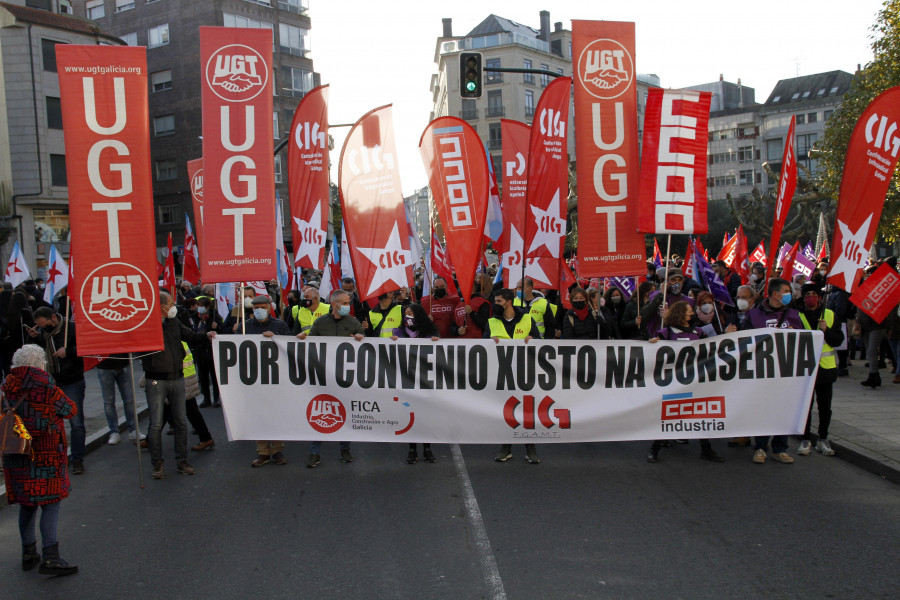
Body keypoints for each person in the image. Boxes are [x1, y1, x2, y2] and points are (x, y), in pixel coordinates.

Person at [2, 344, 78, 576]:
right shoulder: (47, 387)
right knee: (50, 504)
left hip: (17, 453)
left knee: (27, 503)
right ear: (40, 364)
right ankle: (51, 557)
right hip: (46, 455)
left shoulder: (6, 388)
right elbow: (70, 410)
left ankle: (28, 553)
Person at [141, 291, 213, 480]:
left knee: (181, 422)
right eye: (171, 303)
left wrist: (207, 335)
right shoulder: (146, 326)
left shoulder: (174, 323)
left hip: (177, 378)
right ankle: (157, 463)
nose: (174, 307)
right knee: (156, 424)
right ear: (161, 307)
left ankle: (182, 460)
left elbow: (190, 335)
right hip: (156, 380)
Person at [646, 302, 726, 463]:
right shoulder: (667, 332)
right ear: (680, 314)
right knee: (669, 416)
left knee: (700, 415)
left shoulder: (699, 332)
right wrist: (653, 343)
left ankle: (706, 449)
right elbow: (654, 350)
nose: (693, 314)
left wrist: (726, 335)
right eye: (689, 311)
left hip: (695, 380)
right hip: (674, 382)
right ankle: (655, 448)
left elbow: (713, 347)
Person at [298, 290, 365, 467]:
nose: (347, 306)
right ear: (334, 304)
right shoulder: (320, 323)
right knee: (320, 410)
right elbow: (310, 345)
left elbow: (365, 343)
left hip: (345, 376)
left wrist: (361, 338)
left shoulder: (353, 322)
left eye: (348, 302)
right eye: (344, 303)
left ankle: (345, 449)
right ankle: (315, 452)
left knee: (344, 412)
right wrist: (301, 339)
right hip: (324, 376)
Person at [741, 277, 803, 464]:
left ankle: (780, 448)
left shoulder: (793, 314)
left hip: (786, 370)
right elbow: (744, 340)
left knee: (784, 409)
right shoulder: (755, 315)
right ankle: (760, 447)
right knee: (763, 409)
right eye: (786, 291)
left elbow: (803, 340)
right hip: (762, 370)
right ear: (775, 294)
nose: (789, 295)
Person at [484, 289, 542, 464]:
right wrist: (489, 342)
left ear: (509, 302)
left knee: (527, 411)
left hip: (524, 372)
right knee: (505, 411)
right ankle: (506, 446)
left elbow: (539, 341)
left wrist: (533, 338)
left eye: (499, 301)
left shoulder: (526, 319)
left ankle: (530, 447)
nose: (496, 304)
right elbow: (482, 345)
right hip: (501, 374)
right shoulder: (492, 321)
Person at [28, 306, 86, 475]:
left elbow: (84, 348)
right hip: (52, 381)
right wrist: (33, 338)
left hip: (72, 380)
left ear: (53, 318)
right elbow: (37, 354)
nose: (42, 327)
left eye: (43, 324)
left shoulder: (71, 328)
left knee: (76, 422)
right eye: (38, 325)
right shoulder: (43, 334)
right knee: (52, 423)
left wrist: (68, 351)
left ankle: (77, 459)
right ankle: (57, 458)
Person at [244, 295, 292, 467]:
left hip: (276, 376)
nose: (259, 310)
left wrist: (276, 336)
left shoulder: (279, 325)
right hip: (255, 377)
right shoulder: (246, 326)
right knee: (259, 415)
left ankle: (278, 450)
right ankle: (263, 452)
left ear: (269, 308)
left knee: (276, 414)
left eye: (263, 307)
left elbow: (289, 346)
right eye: (256, 307)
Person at [797, 283, 843, 457]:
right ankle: (805, 439)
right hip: (805, 368)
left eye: (814, 293)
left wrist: (827, 330)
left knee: (825, 408)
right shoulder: (796, 315)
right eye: (807, 294)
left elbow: (838, 340)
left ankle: (823, 439)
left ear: (820, 297)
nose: (811, 297)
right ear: (802, 297)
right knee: (805, 407)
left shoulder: (829, 315)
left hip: (825, 369)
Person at [392, 303, 440, 464]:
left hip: (425, 379)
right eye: (405, 313)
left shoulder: (430, 331)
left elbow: (438, 351)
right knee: (409, 414)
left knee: (425, 416)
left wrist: (435, 341)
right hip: (407, 379)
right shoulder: (398, 332)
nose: (408, 316)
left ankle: (427, 448)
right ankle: (412, 449)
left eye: (411, 313)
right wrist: (393, 342)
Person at [95, 353, 144, 445]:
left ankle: (133, 429)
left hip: (123, 361)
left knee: (129, 400)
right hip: (104, 364)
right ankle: (114, 431)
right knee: (109, 402)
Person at [641, 269, 694, 339]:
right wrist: (660, 295)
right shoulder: (654, 296)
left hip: (678, 339)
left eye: (679, 280)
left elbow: (691, 323)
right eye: (673, 280)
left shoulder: (688, 301)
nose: (677, 283)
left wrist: (669, 317)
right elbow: (645, 316)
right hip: (656, 338)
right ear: (666, 282)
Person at [193, 296, 222, 407]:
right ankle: (206, 398)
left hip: (211, 351)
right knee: (203, 377)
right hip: (200, 351)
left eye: (201, 306)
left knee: (214, 377)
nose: (199, 308)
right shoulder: (197, 317)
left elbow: (223, 330)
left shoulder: (214, 317)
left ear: (207, 306)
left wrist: (217, 327)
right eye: (198, 306)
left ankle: (217, 398)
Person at [455, 273, 492, 339]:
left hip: (477, 342)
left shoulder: (482, 302)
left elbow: (486, 324)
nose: (460, 288)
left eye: (462, 285)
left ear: (471, 287)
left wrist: (472, 313)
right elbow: (453, 324)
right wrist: (457, 330)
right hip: (461, 344)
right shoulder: (458, 305)